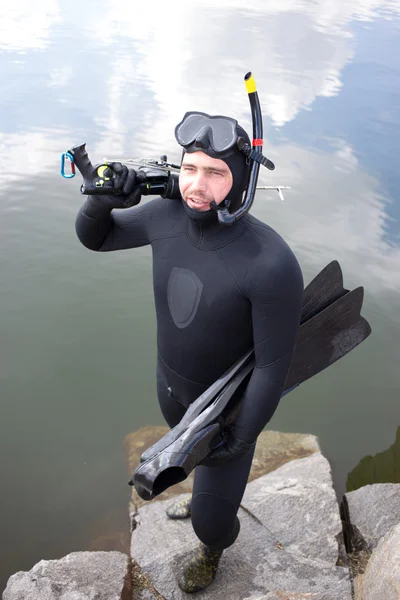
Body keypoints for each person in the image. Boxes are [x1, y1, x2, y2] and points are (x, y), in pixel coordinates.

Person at [75, 112, 304, 593]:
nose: (196, 185)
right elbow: (97, 238)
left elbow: (272, 365)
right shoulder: (165, 217)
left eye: (216, 173)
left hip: (223, 416)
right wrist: (99, 201)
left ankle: (214, 546)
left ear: (241, 181)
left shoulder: (271, 262)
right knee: (188, 467)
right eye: (190, 167)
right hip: (171, 393)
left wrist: (240, 440)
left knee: (210, 522)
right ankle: (205, 490)